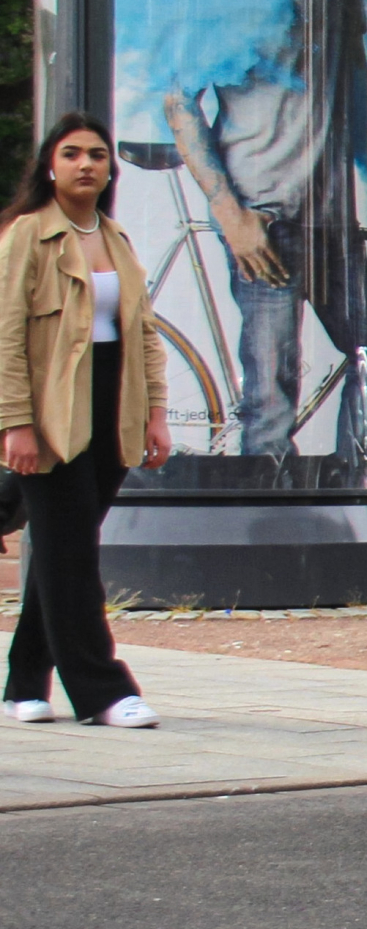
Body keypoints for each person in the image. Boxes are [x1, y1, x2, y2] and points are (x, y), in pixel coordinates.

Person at [163, 0, 367, 468]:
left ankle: (347, 496)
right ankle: (266, 525)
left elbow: (357, 87)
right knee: (271, 400)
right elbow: (177, 94)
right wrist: (229, 212)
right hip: (263, 216)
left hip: (333, 221)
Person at [0, 114, 172, 725]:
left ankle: (24, 682)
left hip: (113, 407)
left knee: (61, 552)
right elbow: (6, 335)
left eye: (96, 154)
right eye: (71, 153)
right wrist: (15, 424)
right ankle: (103, 691)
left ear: (109, 169)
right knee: (72, 556)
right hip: (51, 413)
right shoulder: (26, 235)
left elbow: (145, 335)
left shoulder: (116, 239)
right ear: (50, 165)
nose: (85, 164)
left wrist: (156, 414)